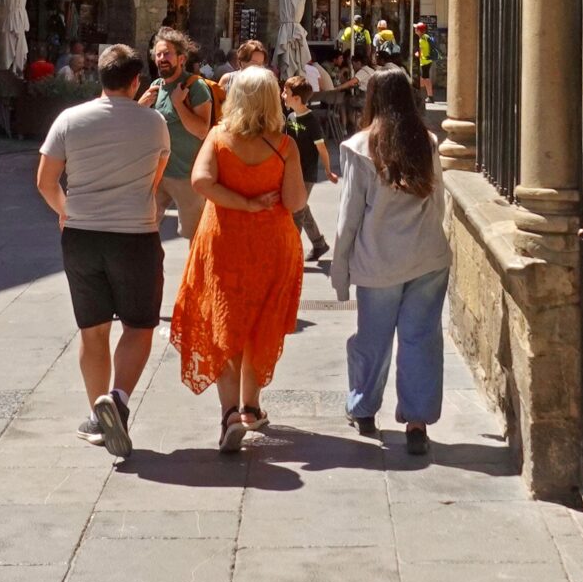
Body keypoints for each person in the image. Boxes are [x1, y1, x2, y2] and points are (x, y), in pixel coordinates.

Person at [34, 42, 168, 460]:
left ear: (100, 78)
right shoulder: (155, 123)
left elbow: (45, 181)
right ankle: (119, 401)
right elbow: (155, 178)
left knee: (92, 330)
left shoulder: (69, 119)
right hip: (135, 235)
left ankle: (97, 414)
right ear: (136, 81)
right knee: (139, 325)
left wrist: (65, 210)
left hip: (82, 235)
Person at [167, 68, 306, 452]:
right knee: (260, 325)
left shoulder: (218, 137)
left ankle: (230, 413)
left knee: (225, 323)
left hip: (224, 242)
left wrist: (241, 202)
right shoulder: (285, 145)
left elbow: (201, 182)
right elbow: (295, 201)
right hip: (271, 246)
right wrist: (259, 200)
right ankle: (250, 407)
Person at [330, 67, 452, 454]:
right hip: (427, 257)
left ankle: (363, 408)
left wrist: (339, 271)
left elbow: (349, 217)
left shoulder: (358, 148)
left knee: (372, 338)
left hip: (378, 261)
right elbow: (438, 201)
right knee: (422, 339)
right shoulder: (426, 142)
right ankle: (417, 422)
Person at [138, 28, 219, 239]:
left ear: (181, 58)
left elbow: (201, 131)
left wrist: (179, 104)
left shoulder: (195, 87)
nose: (161, 58)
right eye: (158, 54)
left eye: (167, 53)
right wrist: (140, 107)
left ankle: (196, 264)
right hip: (158, 172)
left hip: (187, 176)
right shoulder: (156, 86)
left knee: (194, 235)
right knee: (143, 227)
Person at [281, 76, 334, 264]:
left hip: (306, 173)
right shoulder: (290, 117)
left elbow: (322, 148)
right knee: (302, 207)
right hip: (292, 172)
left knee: (297, 211)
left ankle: (291, 253)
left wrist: (328, 170)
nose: (283, 95)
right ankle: (319, 243)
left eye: (286, 92)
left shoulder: (311, 121)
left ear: (296, 98)